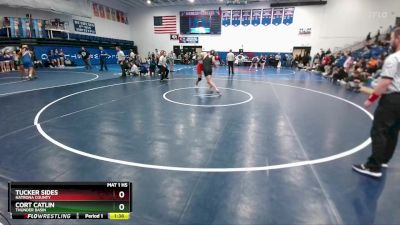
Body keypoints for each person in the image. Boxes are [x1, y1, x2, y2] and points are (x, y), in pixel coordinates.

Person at [353, 27, 400, 178]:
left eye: (393, 37)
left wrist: (371, 99)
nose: (391, 40)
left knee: (379, 130)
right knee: (393, 130)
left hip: (392, 99)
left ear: (398, 38)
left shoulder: (393, 59)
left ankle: (373, 167)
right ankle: (383, 160)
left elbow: (385, 82)